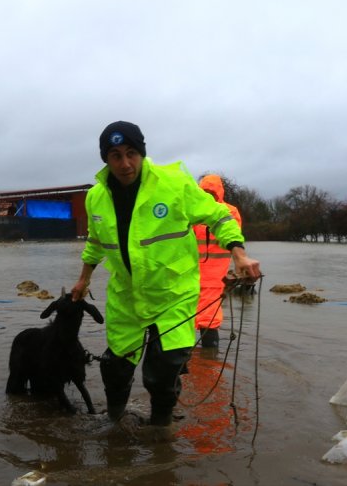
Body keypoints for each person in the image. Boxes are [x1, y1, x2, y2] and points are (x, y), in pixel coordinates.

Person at [70, 121, 261, 428]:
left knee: (162, 372)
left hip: (173, 295)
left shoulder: (174, 185)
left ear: (143, 153)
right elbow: (95, 242)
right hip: (126, 296)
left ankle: (161, 431)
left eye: (131, 153)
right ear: (105, 159)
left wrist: (239, 253)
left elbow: (219, 216)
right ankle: (115, 420)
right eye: (115, 155)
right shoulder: (96, 197)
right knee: (115, 366)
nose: (125, 163)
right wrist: (84, 277)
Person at [194, 174, 243, 349]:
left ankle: (207, 362)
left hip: (215, 278)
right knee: (182, 319)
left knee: (209, 319)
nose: (209, 197)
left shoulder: (230, 212)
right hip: (190, 276)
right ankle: (199, 363)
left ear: (220, 193)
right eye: (204, 193)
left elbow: (232, 233)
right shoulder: (192, 211)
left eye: (212, 193)